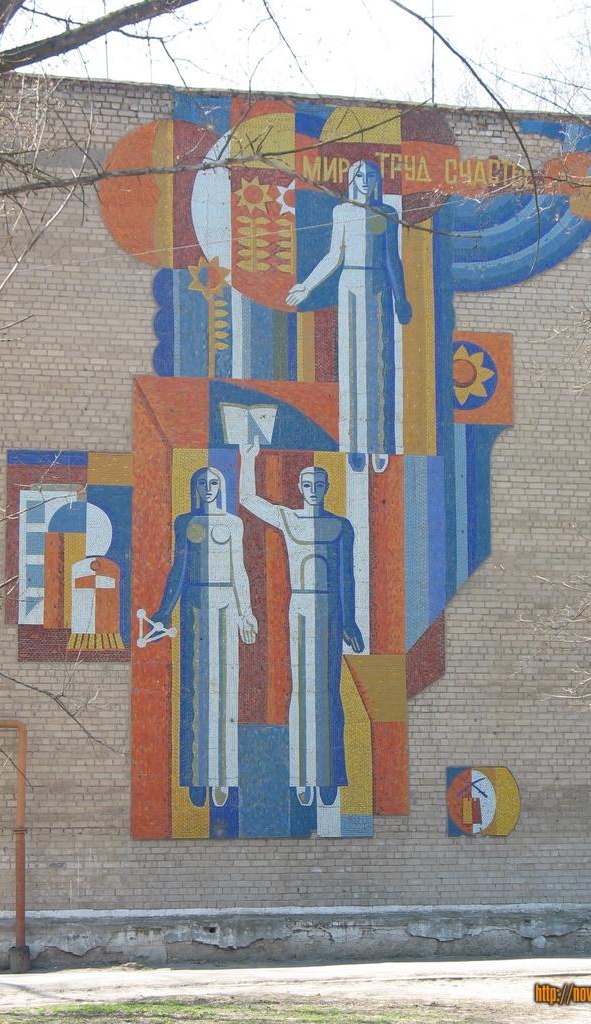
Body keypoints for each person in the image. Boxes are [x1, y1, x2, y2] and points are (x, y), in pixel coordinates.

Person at [239, 439, 363, 807]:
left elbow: (347, 578)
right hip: (301, 606)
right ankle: (302, 774)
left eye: (318, 484)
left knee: (328, 690)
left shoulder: (340, 526)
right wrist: (248, 459)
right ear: (300, 487)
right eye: (307, 484)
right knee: (303, 688)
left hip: (331, 608)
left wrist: (350, 621)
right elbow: (248, 499)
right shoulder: (289, 518)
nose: (312, 489)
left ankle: (328, 775)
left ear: (327, 488)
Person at [286, 160, 412, 461]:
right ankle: (353, 446)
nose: (365, 180)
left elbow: (392, 258)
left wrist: (401, 298)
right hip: (350, 285)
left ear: (377, 180)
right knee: (351, 364)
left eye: (370, 175)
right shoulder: (342, 212)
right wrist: (307, 285)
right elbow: (334, 256)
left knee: (378, 363)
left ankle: (380, 445)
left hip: (378, 286)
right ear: (351, 179)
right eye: (359, 175)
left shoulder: (386, 212)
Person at [151, 467, 257, 809]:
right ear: (194, 487)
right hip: (195, 607)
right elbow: (178, 569)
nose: (208, 488)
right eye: (202, 482)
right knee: (195, 693)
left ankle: (224, 776)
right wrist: (164, 611)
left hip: (226, 605)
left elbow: (239, 570)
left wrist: (246, 612)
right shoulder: (186, 522)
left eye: (214, 483)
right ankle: (197, 776)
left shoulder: (233, 523)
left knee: (226, 690)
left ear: (221, 487)